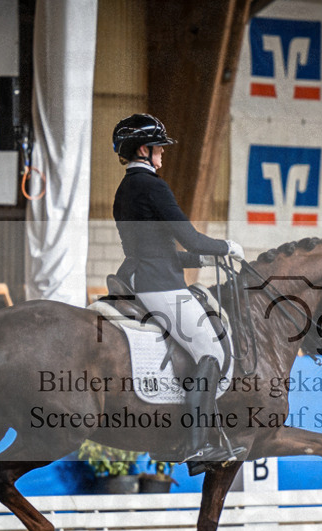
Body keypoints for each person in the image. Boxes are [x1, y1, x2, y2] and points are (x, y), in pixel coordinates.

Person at [111, 113, 246, 469]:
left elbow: (153, 248)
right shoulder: (154, 186)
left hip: (140, 278)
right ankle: (197, 446)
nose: (163, 155)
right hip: (161, 285)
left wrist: (195, 261)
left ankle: (171, 440)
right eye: (160, 149)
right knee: (211, 351)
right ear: (145, 149)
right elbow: (190, 236)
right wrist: (225, 247)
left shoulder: (124, 190)